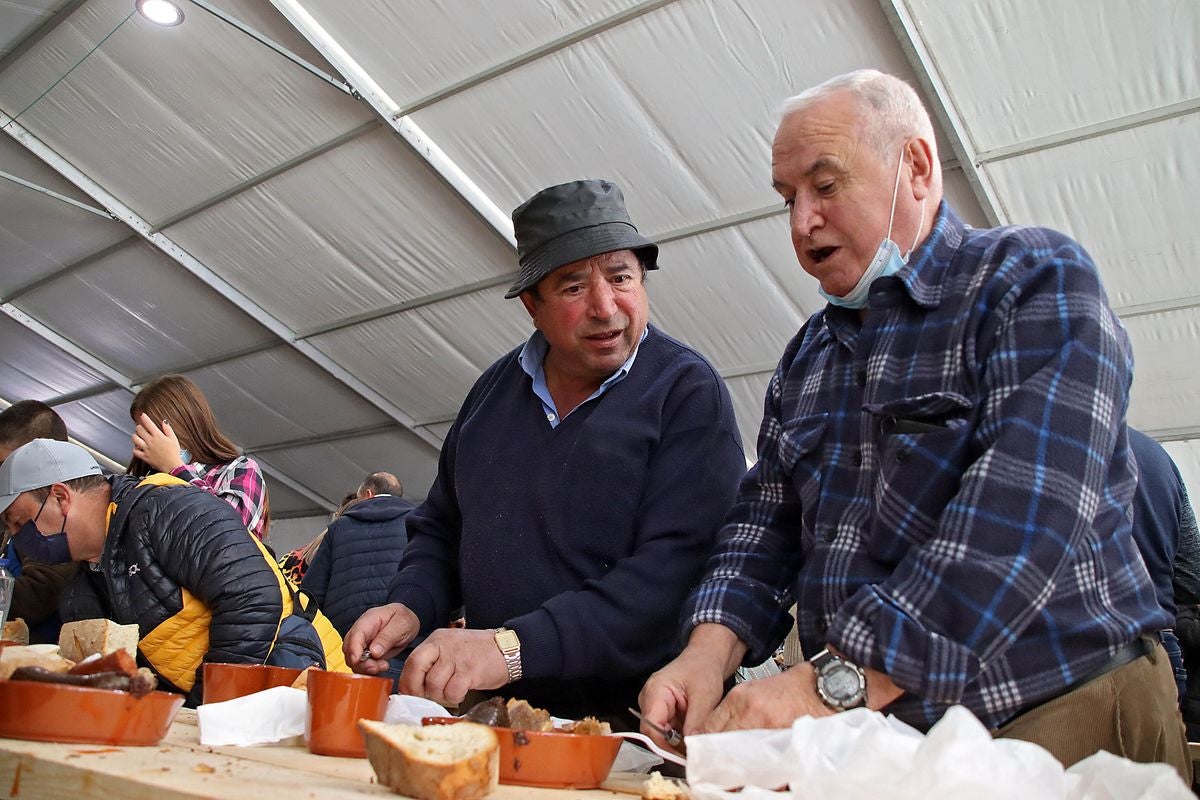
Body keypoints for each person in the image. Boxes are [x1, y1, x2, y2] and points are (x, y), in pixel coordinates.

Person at [639, 69, 1189, 780]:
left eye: (825, 185)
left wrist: (827, 686)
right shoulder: (809, 355)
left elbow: (1020, 526)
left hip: (1059, 715)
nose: (802, 222)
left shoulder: (1032, 282)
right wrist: (705, 656)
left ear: (917, 167)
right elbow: (761, 526)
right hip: (892, 737)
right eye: (788, 198)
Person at [344, 179, 746, 725]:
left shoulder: (684, 393)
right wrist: (411, 604)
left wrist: (510, 649)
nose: (606, 307)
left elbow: (671, 578)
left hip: (637, 723)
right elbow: (443, 527)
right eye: (573, 287)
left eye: (621, 278)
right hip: (501, 714)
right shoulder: (493, 393)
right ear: (531, 304)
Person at [0, 439, 348, 706]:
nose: (18, 538)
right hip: (242, 709)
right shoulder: (85, 580)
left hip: (310, 689)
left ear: (61, 497)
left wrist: (204, 705)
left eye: (19, 521)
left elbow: (253, 597)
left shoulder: (165, 509)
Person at [127, 374, 270, 541]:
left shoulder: (240, 470)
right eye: (141, 431)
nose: (147, 439)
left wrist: (176, 469)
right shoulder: (145, 482)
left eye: (152, 430)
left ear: (181, 423)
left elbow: (226, 532)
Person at [1127, 427, 1200, 737]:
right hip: (1157, 653)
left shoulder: (1033, 445)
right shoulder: (1155, 455)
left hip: (1069, 663)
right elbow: (1191, 577)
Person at [0, 401, 78, 643]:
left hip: (37, 659)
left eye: (4, 466)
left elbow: (43, 589)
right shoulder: (15, 508)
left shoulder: (57, 518)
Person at [302, 471, 416, 638]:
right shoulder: (416, 522)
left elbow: (312, 590)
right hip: (402, 632)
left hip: (346, 634)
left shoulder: (339, 527)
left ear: (368, 494)